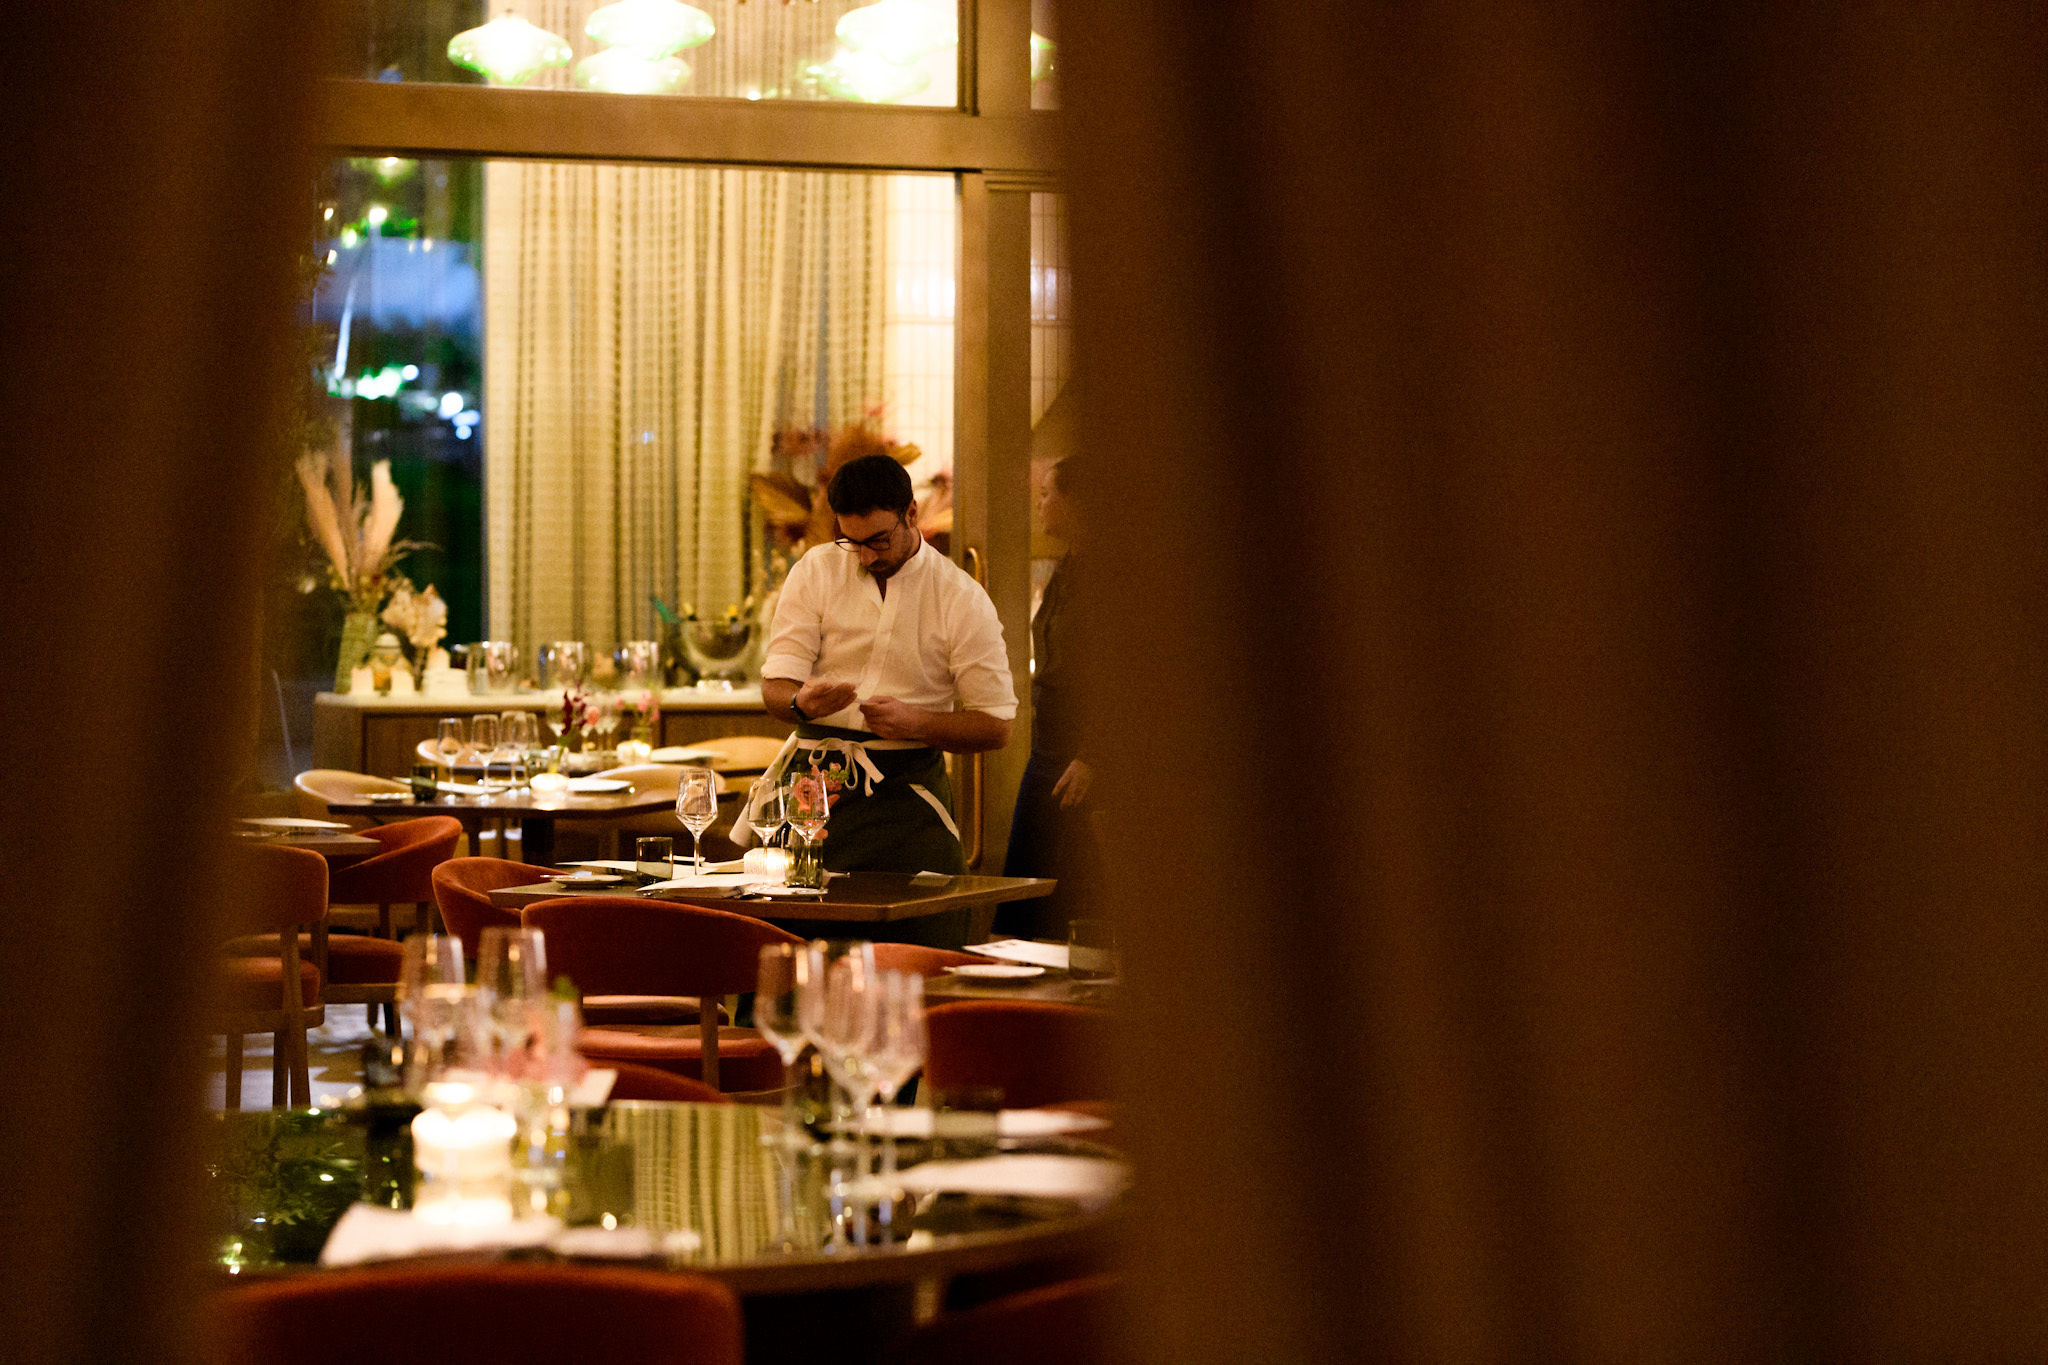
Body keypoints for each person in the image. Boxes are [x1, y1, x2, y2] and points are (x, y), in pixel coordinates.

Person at [759, 455, 1016, 942]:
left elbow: (996, 724)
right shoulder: (816, 570)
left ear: (912, 514)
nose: (866, 556)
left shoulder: (959, 597)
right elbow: (776, 687)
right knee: (793, 944)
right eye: (850, 542)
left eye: (879, 539)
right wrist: (801, 705)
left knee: (923, 942)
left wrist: (915, 723)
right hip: (813, 790)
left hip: (908, 794)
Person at [999, 457, 1101, 938]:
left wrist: (1094, 755)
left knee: (1071, 900)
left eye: (1046, 493)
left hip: (1084, 756)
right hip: (1048, 748)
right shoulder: (1070, 564)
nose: (1039, 504)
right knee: (1026, 891)